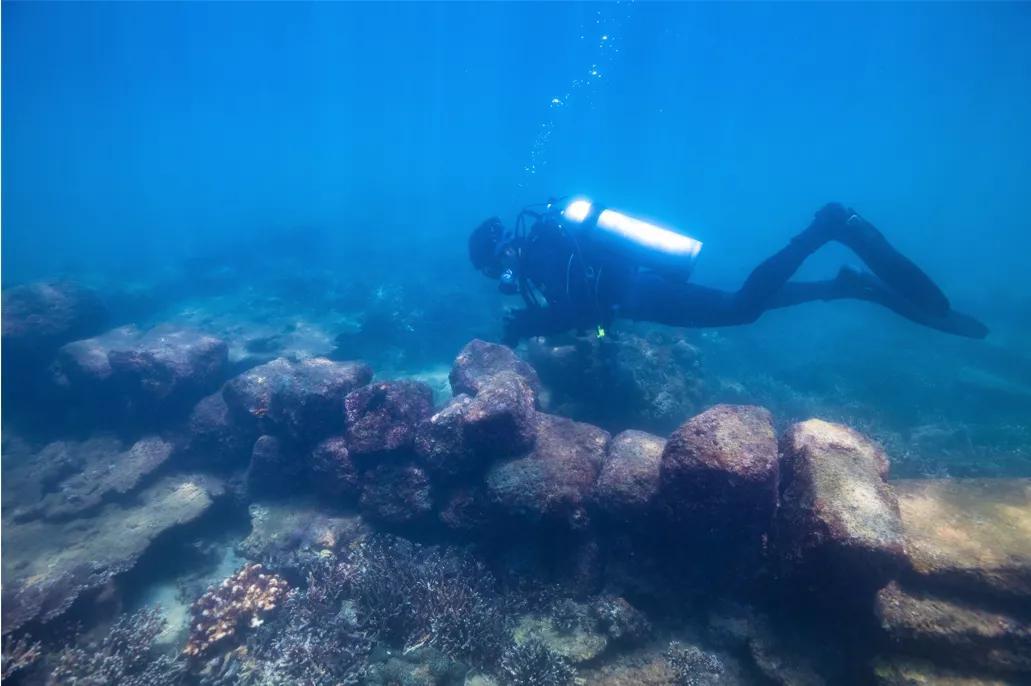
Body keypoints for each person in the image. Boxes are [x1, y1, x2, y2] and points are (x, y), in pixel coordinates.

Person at [468, 199, 988, 346]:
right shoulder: (546, 244)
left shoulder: (540, 254)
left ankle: (824, 228)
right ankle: (842, 286)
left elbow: (579, 309)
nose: (502, 280)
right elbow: (585, 304)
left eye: (495, 270)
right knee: (739, 303)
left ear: (502, 252)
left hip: (641, 292)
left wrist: (530, 325)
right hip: (641, 289)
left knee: (739, 308)